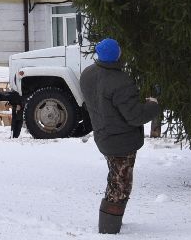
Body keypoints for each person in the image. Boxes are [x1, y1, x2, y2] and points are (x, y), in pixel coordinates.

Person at [77, 37, 162, 235]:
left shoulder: (88, 74)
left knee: (115, 179)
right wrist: (153, 105)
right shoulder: (120, 81)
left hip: (103, 135)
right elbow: (135, 116)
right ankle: (108, 229)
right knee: (121, 186)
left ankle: (110, 223)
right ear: (117, 56)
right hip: (121, 142)